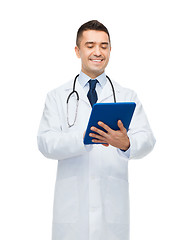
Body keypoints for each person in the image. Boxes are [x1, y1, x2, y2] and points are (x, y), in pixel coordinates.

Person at [37, 20, 156, 240]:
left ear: (110, 50)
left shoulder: (127, 96)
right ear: (77, 50)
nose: (97, 52)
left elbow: (148, 139)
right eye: (90, 45)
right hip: (72, 211)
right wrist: (82, 138)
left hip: (111, 210)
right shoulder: (57, 96)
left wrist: (127, 144)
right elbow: (45, 142)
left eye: (104, 46)